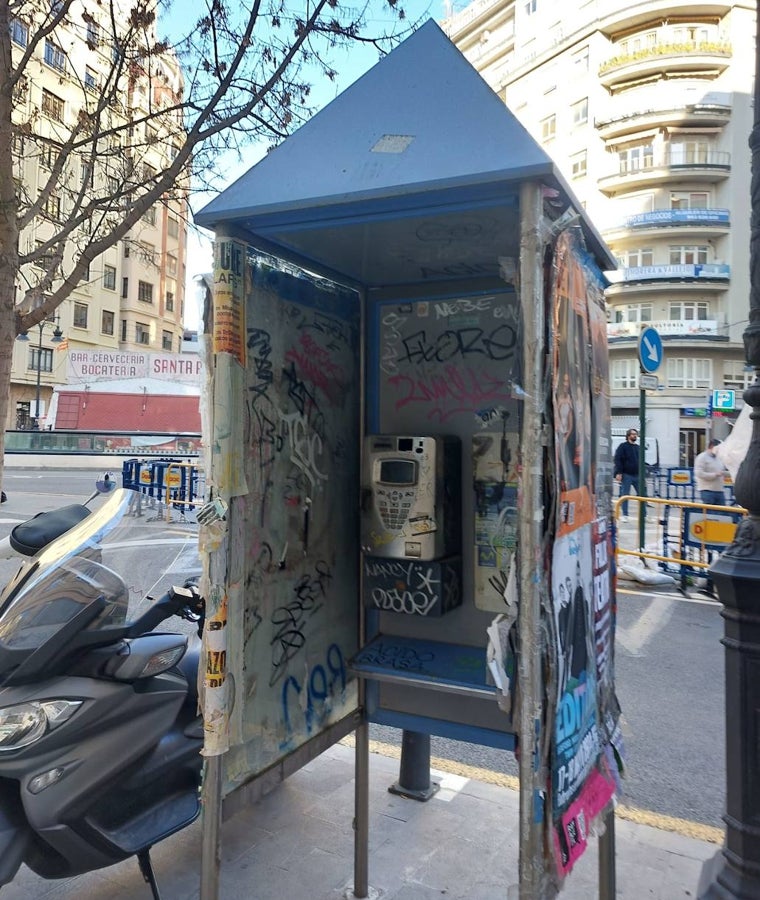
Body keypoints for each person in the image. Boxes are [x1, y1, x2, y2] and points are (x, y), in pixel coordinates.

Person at [613, 429, 640, 521]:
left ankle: (644, 515)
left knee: (643, 495)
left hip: (637, 475)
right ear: (628, 435)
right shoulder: (623, 446)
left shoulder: (638, 447)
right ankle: (625, 515)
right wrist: (619, 473)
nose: (635, 436)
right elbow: (618, 459)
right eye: (633, 434)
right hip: (626, 474)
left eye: (636, 434)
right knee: (625, 495)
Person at [694, 439, 727, 506]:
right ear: (712, 447)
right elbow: (699, 473)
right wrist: (715, 475)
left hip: (719, 490)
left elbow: (722, 471)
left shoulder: (719, 458)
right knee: (709, 514)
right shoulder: (702, 457)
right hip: (707, 490)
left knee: (723, 514)